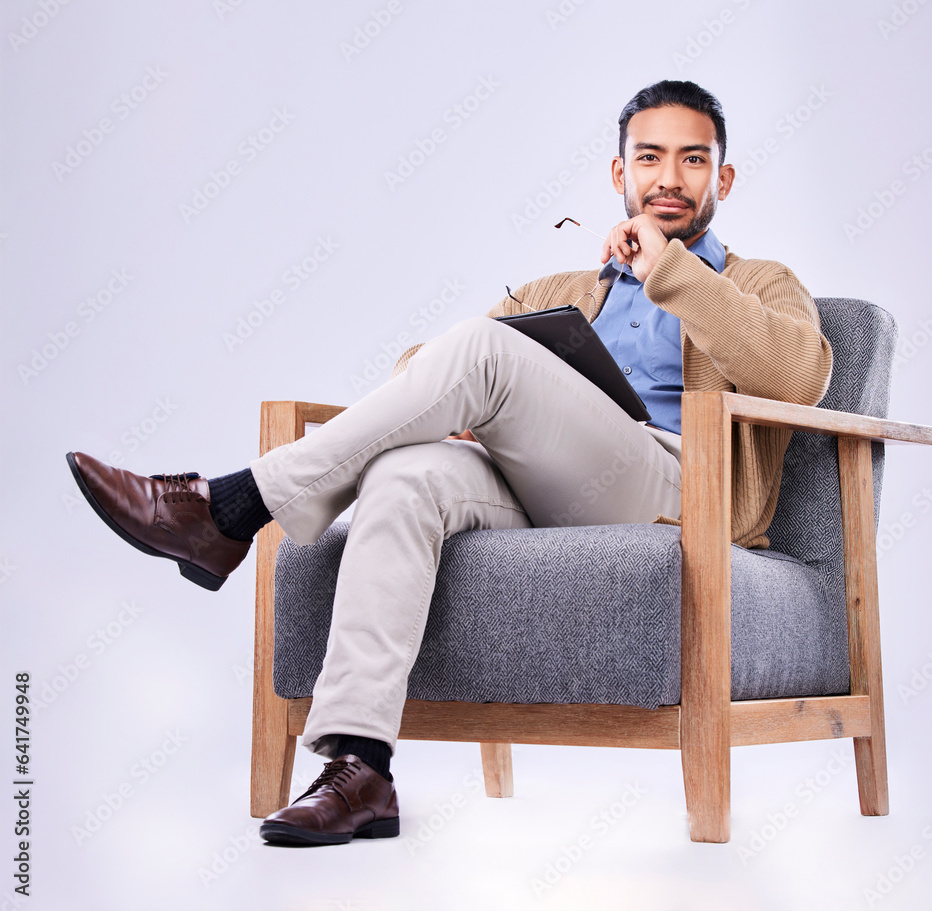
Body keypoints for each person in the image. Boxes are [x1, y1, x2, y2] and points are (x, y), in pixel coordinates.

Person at [66, 80, 833, 848]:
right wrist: (467, 411)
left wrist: (672, 270)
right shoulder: (560, 291)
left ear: (723, 179)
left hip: (675, 491)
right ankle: (361, 767)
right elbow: (423, 368)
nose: (670, 176)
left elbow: (802, 375)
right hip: (544, 487)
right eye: (651, 157)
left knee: (483, 349)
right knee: (406, 476)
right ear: (618, 173)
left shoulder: (760, 281)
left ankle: (230, 506)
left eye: (693, 159)